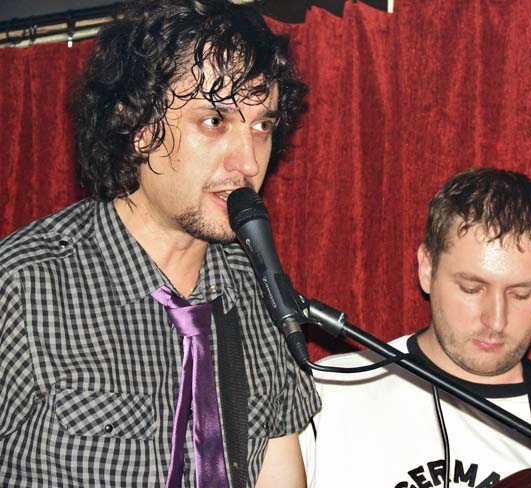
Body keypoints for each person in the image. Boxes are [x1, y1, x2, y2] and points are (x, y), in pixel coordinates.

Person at [0, 0, 320, 487]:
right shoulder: (21, 288)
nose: (249, 162)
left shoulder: (262, 295)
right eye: (214, 121)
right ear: (137, 127)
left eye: (262, 126)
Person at [299, 168, 531, 487]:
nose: (496, 320)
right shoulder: (326, 394)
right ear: (427, 269)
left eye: (521, 294)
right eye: (471, 288)